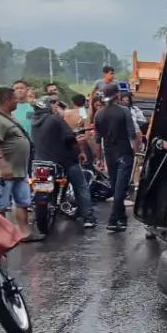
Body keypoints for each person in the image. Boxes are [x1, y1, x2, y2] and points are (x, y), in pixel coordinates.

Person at [0, 86, 41, 241]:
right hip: (4, 172)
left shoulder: (9, 116)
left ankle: (24, 233)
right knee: (1, 205)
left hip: (19, 170)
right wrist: (3, 166)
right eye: (14, 98)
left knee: (22, 202)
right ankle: (1, 237)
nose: (17, 101)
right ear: (7, 99)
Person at [31, 96, 97, 228]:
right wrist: (82, 151)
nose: (56, 107)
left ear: (72, 102)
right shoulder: (82, 112)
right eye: (54, 105)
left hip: (41, 160)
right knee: (80, 185)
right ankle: (88, 217)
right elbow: (80, 130)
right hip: (64, 159)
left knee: (39, 187)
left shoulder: (34, 120)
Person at [94, 83, 139, 232]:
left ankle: (121, 219)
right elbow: (132, 134)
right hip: (124, 153)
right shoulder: (124, 111)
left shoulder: (98, 114)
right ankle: (113, 218)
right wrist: (137, 151)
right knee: (120, 187)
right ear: (117, 94)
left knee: (115, 186)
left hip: (109, 154)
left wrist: (99, 159)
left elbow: (97, 139)